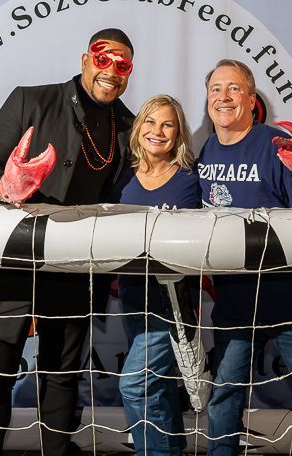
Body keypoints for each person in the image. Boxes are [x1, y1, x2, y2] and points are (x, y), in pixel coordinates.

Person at [0, 29, 136, 456]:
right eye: (103, 58)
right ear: (84, 59)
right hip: (10, 264)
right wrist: (5, 187)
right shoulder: (31, 99)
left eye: (123, 64)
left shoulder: (130, 126)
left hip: (73, 270)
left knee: (61, 381)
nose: (111, 70)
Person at [197, 59, 292, 456]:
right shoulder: (205, 150)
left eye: (234, 88)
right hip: (234, 304)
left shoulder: (275, 145)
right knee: (224, 403)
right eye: (216, 88)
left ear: (251, 100)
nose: (224, 96)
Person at [116, 94, 202, 456]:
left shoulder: (189, 180)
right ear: (139, 128)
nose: (157, 131)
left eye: (167, 124)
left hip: (172, 307)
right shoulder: (121, 176)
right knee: (161, 386)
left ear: (179, 133)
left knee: (136, 385)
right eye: (150, 122)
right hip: (133, 299)